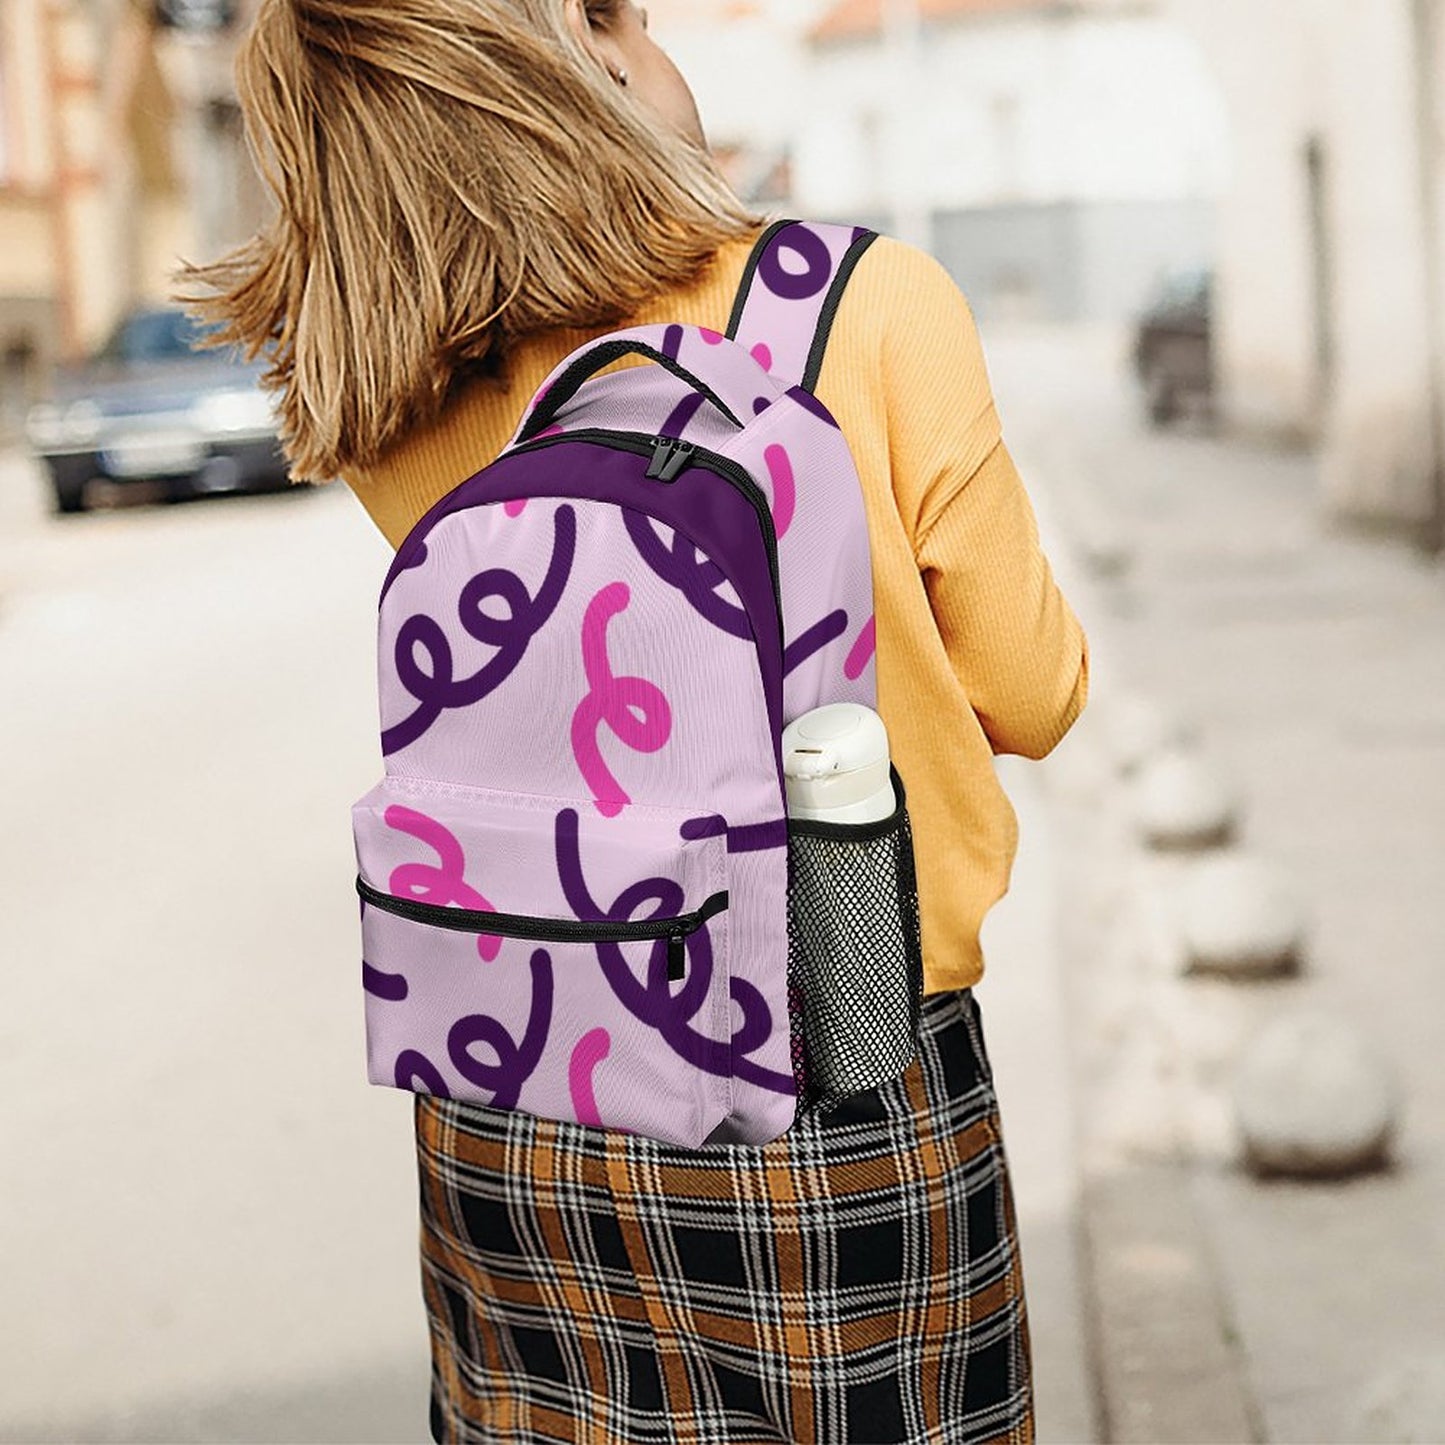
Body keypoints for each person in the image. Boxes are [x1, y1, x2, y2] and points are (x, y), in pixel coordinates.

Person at [183, 2, 1088, 1440]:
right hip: (832, 1068)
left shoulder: (403, 374)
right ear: (581, 58)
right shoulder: (858, 305)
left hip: (513, 1100)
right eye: (622, 15)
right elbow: (1032, 691)